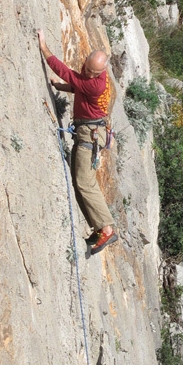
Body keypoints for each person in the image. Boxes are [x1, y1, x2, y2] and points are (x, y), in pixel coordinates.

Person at [37, 30, 118, 255]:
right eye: (88, 69)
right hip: (89, 131)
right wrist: (61, 87)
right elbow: (77, 84)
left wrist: (44, 48)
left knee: (85, 181)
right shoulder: (92, 77)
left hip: (89, 135)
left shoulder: (96, 84)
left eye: (94, 72)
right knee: (78, 181)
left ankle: (107, 228)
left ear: (102, 72)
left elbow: (68, 74)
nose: (89, 74)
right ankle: (97, 227)